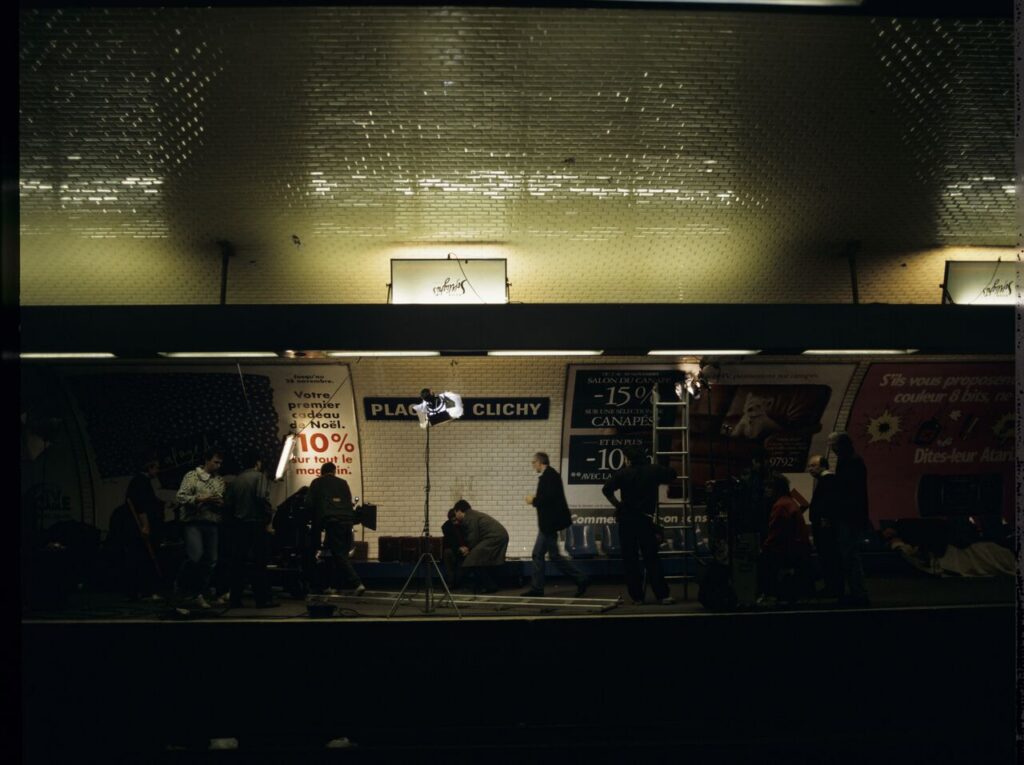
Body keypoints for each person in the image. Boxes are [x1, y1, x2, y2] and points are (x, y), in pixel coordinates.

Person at [601, 446, 676, 605]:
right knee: (652, 558)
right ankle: (663, 595)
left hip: (627, 520)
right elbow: (672, 474)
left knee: (630, 560)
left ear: (628, 459)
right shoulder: (653, 470)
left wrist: (619, 505)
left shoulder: (622, 473)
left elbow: (606, 489)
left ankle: (637, 597)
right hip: (645, 520)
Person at [521, 452, 587, 598]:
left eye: (534, 462)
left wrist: (533, 500)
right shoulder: (550, 475)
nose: (533, 465)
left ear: (540, 462)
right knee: (550, 555)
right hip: (548, 524)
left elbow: (548, 499)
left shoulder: (549, 476)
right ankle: (578, 578)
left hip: (548, 525)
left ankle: (579, 578)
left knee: (541, 555)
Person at [175, 448, 227, 609]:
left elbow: (222, 500)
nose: (218, 466)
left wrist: (219, 503)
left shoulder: (219, 480)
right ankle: (183, 589)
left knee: (211, 560)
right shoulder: (192, 476)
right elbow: (181, 496)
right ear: (207, 460)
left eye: (220, 463)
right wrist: (199, 498)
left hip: (212, 522)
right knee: (195, 557)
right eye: (215, 462)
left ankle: (198, 593)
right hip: (194, 522)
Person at [224, 449, 277, 608]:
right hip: (256, 524)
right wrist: (269, 515)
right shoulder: (260, 477)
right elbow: (261, 497)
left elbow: (228, 504)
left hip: (239, 526)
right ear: (257, 462)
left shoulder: (236, 480)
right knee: (259, 562)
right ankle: (262, 599)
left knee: (238, 563)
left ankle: (235, 599)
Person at [305, 462, 365, 596]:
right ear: (334, 471)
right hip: (348, 522)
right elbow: (348, 502)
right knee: (335, 553)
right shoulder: (343, 483)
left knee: (338, 555)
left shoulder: (317, 482)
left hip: (332, 522)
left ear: (322, 472)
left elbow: (309, 504)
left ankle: (357, 583)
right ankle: (331, 585)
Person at [828, 431, 870, 607]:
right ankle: (856, 592)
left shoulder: (850, 462)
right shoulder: (852, 461)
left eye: (833, 444)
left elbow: (847, 492)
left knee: (850, 555)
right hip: (852, 515)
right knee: (850, 555)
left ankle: (858, 593)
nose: (831, 448)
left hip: (849, 516)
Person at [759, 474, 812, 604]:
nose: (765, 490)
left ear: (776, 489)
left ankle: (769, 593)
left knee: (762, 559)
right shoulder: (788, 501)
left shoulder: (780, 505)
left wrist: (764, 547)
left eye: (769, 487)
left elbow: (776, 533)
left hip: (792, 549)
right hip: (799, 547)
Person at [123, 454, 167, 599]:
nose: (158, 471)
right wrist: (146, 526)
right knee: (144, 558)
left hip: (142, 525)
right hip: (142, 526)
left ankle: (140, 591)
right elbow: (141, 506)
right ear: (150, 467)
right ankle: (144, 590)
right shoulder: (141, 482)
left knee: (142, 558)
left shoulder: (140, 481)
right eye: (156, 468)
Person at [452, 499, 509, 594]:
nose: (456, 516)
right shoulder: (473, 514)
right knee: (479, 560)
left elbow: (473, 537)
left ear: (459, 511)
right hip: (497, 536)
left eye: (455, 513)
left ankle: (489, 586)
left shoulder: (469, 517)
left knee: (473, 559)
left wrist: (468, 548)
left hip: (494, 537)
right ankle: (488, 585)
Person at [806, 454, 842, 598]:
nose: (810, 469)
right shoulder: (827, 481)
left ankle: (832, 587)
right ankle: (832, 587)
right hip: (824, 527)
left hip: (824, 529)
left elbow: (827, 504)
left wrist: (823, 520)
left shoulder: (827, 481)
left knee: (828, 557)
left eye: (813, 466)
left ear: (822, 466)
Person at [440, 508, 467, 590]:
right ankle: (451, 584)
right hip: (452, 549)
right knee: (451, 568)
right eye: (453, 520)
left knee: (455, 568)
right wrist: (461, 548)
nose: (455, 521)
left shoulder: (460, 525)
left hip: (456, 549)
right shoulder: (447, 527)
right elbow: (451, 540)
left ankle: (454, 584)